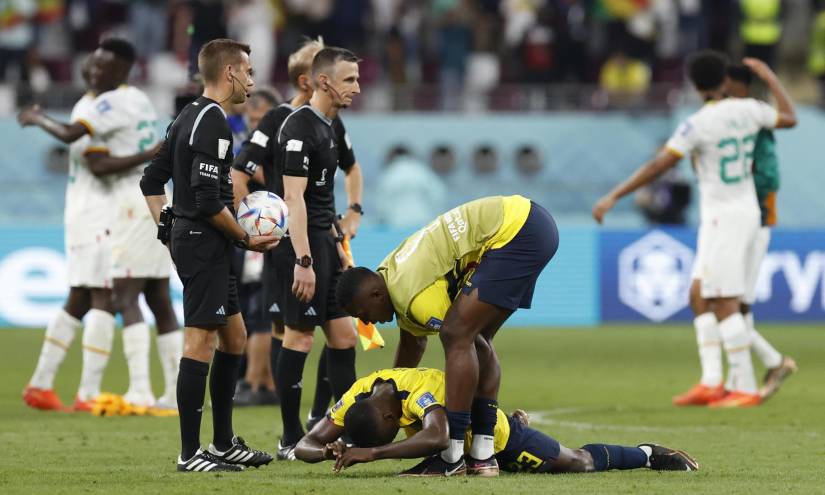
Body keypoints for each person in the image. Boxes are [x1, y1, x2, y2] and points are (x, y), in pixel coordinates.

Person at [592, 51, 797, 408]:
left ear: (695, 84)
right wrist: (768, 76)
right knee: (699, 295)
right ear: (724, 80)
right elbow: (790, 118)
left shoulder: (697, 123)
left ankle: (745, 387)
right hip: (737, 211)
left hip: (726, 217)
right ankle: (712, 382)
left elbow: (660, 165)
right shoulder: (749, 109)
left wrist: (614, 195)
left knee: (723, 299)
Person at [335, 195, 559, 476]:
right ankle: (482, 454)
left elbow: (466, 341)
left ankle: (453, 454)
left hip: (518, 230)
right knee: (475, 336)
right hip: (527, 223)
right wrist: (387, 393)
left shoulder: (412, 294)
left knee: (460, 335)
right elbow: (412, 343)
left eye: (361, 313)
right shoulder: (389, 277)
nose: (365, 321)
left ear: (376, 295)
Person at [18, 40, 183, 413]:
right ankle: (61, 387)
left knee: (107, 295)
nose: (93, 70)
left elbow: (81, 147)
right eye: (92, 65)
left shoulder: (100, 105)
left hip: (114, 208)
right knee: (104, 296)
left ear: (120, 69)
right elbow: (95, 160)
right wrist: (154, 154)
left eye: (100, 66)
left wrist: (36, 117)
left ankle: (82, 389)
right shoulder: (132, 99)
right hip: (110, 208)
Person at [140, 38, 276, 472]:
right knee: (200, 340)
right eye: (249, 72)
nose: (253, 82)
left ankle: (222, 442)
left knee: (233, 337)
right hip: (205, 242)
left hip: (201, 239)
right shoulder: (213, 121)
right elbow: (203, 198)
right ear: (231, 72)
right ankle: (189, 453)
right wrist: (244, 239)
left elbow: (151, 180)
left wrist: (166, 226)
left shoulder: (187, 116)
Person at [294, 368, 699, 476]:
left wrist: (374, 453)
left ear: (388, 416)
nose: (398, 425)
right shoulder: (357, 395)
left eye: (392, 428)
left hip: (499, 441)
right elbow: (303, 446)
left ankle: (647, 454)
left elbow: (437, 436)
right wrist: (331, 447)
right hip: (465, 455)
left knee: (577, 462)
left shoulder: (421, 390)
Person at [264, 46, 363, 460]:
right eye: (349, 80)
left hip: (325, 239)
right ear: (323, 81)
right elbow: (293, 198)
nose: (357, 88)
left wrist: (343, 229)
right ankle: (289, 437)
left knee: (344, 337)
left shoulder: (330, 125)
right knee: (301, 337)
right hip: (298, 246)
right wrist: (304, 261)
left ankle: (344, 432)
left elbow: (344, 177)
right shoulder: (297, 127)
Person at [717, 64, 797, 400]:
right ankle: (764, 366)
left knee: (735, 304)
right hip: (740, 219)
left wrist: (769, 78)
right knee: (726, 301)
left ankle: (762, 369)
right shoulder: (732, 122)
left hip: (756, 220)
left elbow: (769, 177)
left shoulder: (756, 123)